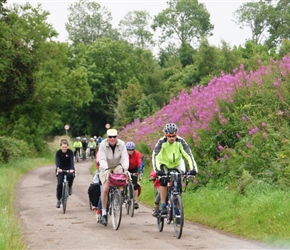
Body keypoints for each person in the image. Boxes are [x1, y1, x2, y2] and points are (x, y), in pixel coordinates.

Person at [152, 123, 198, 216]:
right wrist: (158, 171)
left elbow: (188, 155)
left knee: (179, 183)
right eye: (169, 136)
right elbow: (156, 156)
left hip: (177, 163)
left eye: (174, 136)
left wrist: (193, 169)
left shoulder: (181, 141)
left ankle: (177, 207)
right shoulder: (161, 142)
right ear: (165, 135)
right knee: (164, 181)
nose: (172, 138)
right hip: (164, 164)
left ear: (176, 134)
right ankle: (164, 205)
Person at [98, 129, 129, 226]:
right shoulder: (102, 144)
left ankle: (119, 197)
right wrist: (106, 168)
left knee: (121, 179)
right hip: (105, 166)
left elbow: (124, 157)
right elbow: (101, 158)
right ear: (107, 137)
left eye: (114, 137)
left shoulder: (122, 144)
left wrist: (125, 168)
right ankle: (103, 212)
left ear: (117, 137)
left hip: (117, 165)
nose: (112, 139)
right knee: (106, 188)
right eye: (110, 137)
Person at [55, 139, 75, 208]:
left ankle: (69, 187)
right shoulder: (58, 153)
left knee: (71, 176)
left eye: (66, 147)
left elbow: (72, 161)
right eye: (63, 147)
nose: (64, 148)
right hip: (60, 169)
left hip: (69, 169)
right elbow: (57, 161)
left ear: (68, 147)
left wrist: (72, 168)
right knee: (59, 184)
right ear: (60, 147)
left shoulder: (70, 152)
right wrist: (58, 168)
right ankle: (58, 199)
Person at [126, 141, 143, 209]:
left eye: (132, 149)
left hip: (134, 169)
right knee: (122, 182)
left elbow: (140, 162)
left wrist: (140, 170)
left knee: (135, 185)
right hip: (126, 168)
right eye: (129, 150)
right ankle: (122, 194)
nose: (130, 151)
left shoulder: (137, 154)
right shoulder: (123, 154)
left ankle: (135, 201)